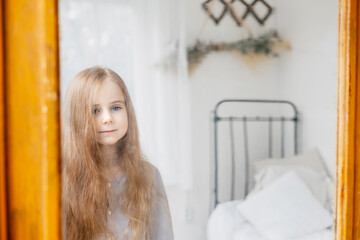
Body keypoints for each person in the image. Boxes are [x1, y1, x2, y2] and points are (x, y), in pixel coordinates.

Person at [62, 66, 174, 240]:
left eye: (115, 108)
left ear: (127, 110)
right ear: (78, 117)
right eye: (95, 111)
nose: (107, 118)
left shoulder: (149, 176)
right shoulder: (63, 180)